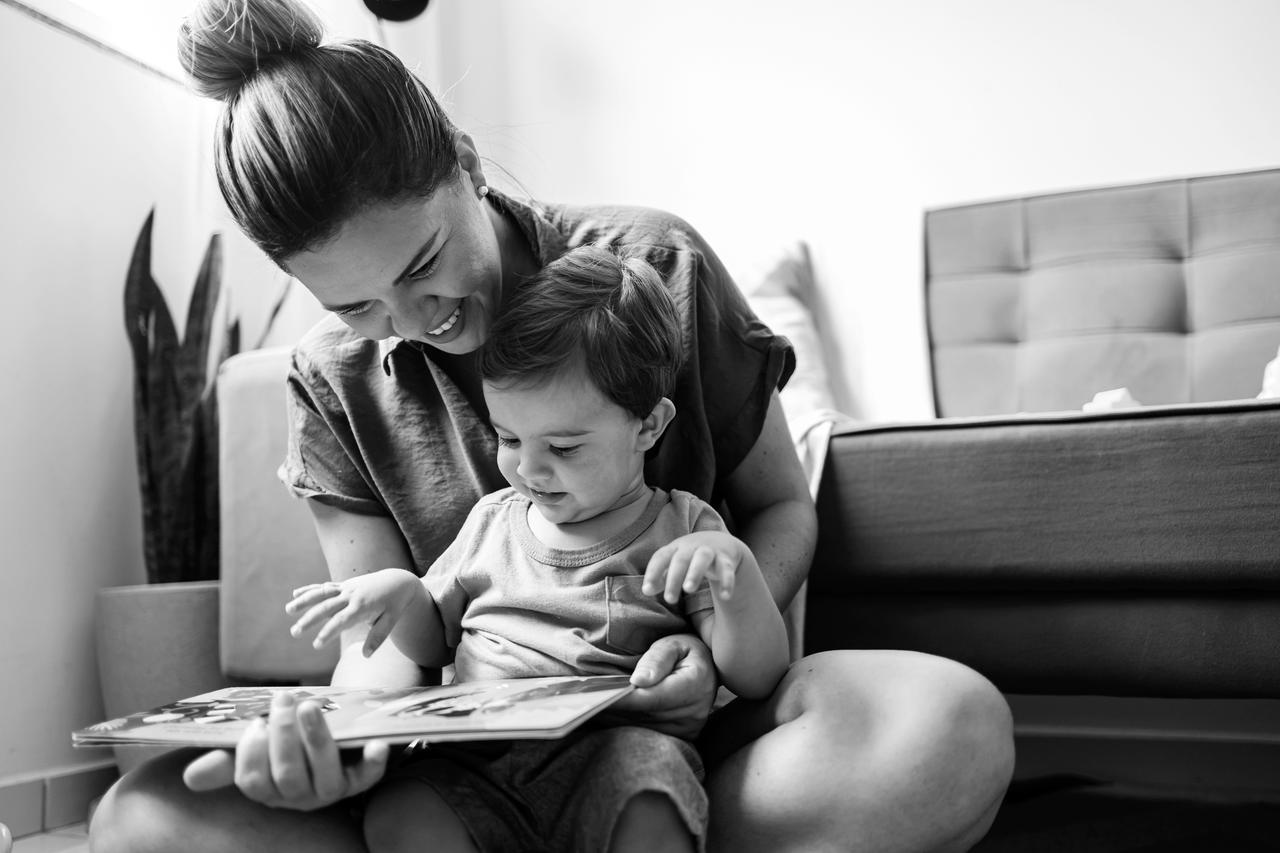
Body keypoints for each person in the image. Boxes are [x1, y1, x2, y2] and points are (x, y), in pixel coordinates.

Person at [89, 0, 1015, 850]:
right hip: (462, 767)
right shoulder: (330, 378)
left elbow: (782, 507)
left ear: (464, 159)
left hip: (679, 732)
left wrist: (710, 645)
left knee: (948, 723)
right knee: (147, 816)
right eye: (359, 306)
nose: (415, 324)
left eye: (424, 264)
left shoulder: (654, 264)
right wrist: (344, 748)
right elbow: (383, 644)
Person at [284, 244, 791, 852]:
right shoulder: (491, 522)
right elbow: (436, 641)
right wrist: (400, 597)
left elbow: (757, 676)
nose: (528, 469)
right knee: (402, 812)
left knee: (652, 802)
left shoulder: (684, 530)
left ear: (649, 427)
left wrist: (735, 572)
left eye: (564, 448)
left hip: (616, 753)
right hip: (478, 760)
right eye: (508, 438)